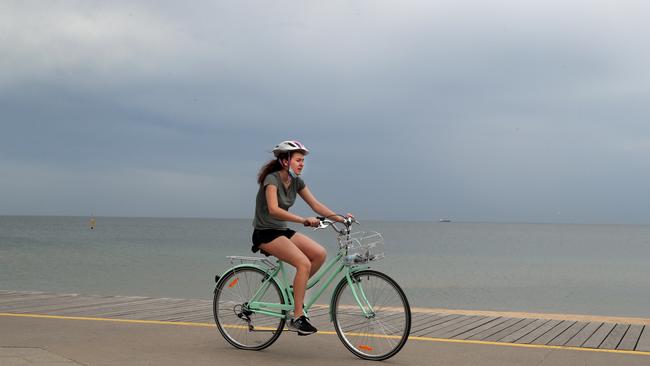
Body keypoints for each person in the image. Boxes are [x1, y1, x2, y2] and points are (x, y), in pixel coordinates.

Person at [252, 140, 347, 336]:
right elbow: (273, 209)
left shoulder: (297, 182)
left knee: (319, 254)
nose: (302, 164)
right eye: (298, 160)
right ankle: (297, 317)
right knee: (303, 263)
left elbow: (316, 205)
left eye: (303, 160)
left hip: (281, 230)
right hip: (265, 232)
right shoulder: (272, 179)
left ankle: (295, 292)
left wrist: (341, 218)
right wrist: (303, 220)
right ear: (285, 161)